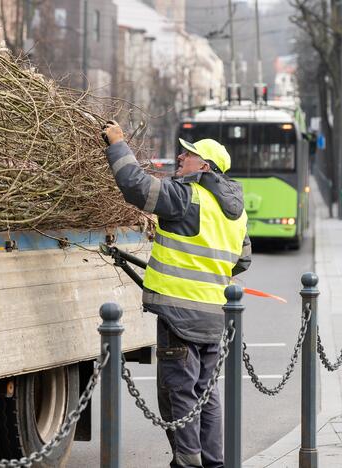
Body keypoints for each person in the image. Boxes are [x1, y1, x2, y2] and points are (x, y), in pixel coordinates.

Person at [102, 121, 251, 468]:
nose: (181, 156)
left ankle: (187, 462)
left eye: (190, 153)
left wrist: (117, 144)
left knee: (179, 393)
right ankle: (213, 462)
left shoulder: (187, 197)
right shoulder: (236, 213)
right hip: (214, 315)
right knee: (205, 394)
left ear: (205, 167)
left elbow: (137, 188)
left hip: (180, 316)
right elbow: (241, 260)